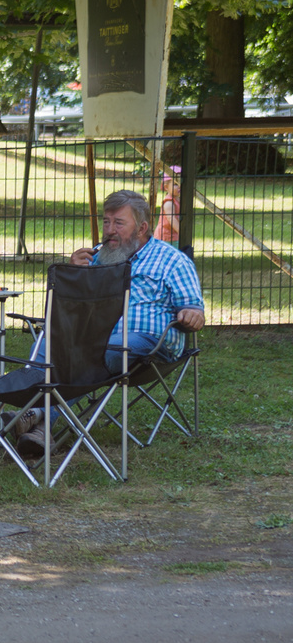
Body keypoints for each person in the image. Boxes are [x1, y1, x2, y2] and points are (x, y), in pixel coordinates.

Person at [13, 188, 205, 456]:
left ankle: (32, 412)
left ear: (142, 228)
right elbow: (73, 309)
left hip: (147, 345)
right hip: (95, 339)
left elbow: (193, 306)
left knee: (102, 351)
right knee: (52, 339)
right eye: (106, 221)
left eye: (118, 223)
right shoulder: (97, 259)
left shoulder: (172, 260)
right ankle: (40, 429)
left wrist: (192, 314)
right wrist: (76, 274)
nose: (109, 230)